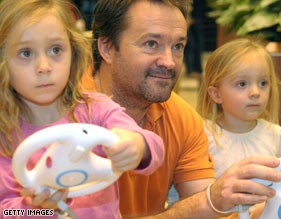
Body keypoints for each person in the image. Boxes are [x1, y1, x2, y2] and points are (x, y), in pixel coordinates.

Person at [91, 0, 281, 218]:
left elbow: (209, 207)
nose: (170, 62)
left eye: (177, 47)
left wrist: (232, 204)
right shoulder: (58, 109)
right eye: (151, 44)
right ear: (106, 48)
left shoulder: (182, 118)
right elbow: (44, 212)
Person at [0, 0, 164, 218]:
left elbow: (154, 146)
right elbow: (6, 210)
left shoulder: (97, 109)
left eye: (56, 50)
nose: (44, 67)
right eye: (26, 53)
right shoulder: (4, 134)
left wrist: (137, 145)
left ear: (73, 52)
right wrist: (34, 209)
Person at [197, 37, 281, 218]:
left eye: (263, 83)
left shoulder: (274, 134)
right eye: (242, 84)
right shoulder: (203, 135)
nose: (255, 92)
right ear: (216, 94)